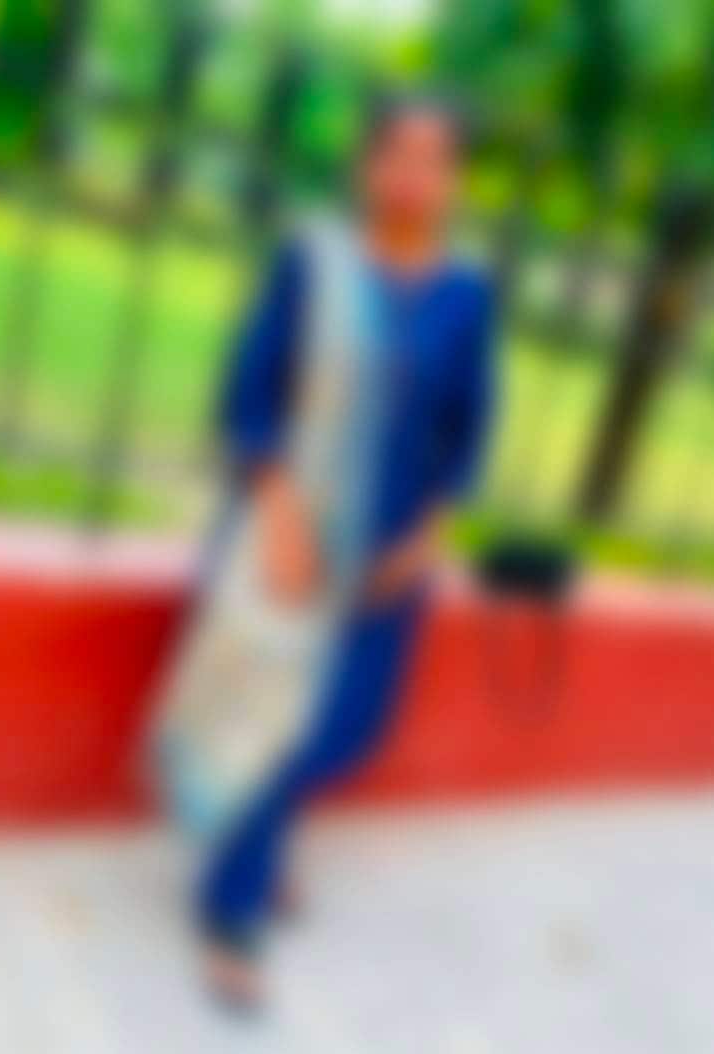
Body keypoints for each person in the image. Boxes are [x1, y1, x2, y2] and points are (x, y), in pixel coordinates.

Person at [191, 96, 499, 1007]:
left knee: (339, 726)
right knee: (272, 717)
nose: (411, 176)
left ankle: (259, 839)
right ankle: (232, 906)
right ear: (367, 165)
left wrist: (425, 540)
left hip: (385, 555)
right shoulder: (312, 262)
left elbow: (468, 430)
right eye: (395, 154)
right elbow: (248, 394)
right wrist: (278, 513)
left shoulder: (467, 296)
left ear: (455, 181)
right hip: (286, 535)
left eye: (433, 160)